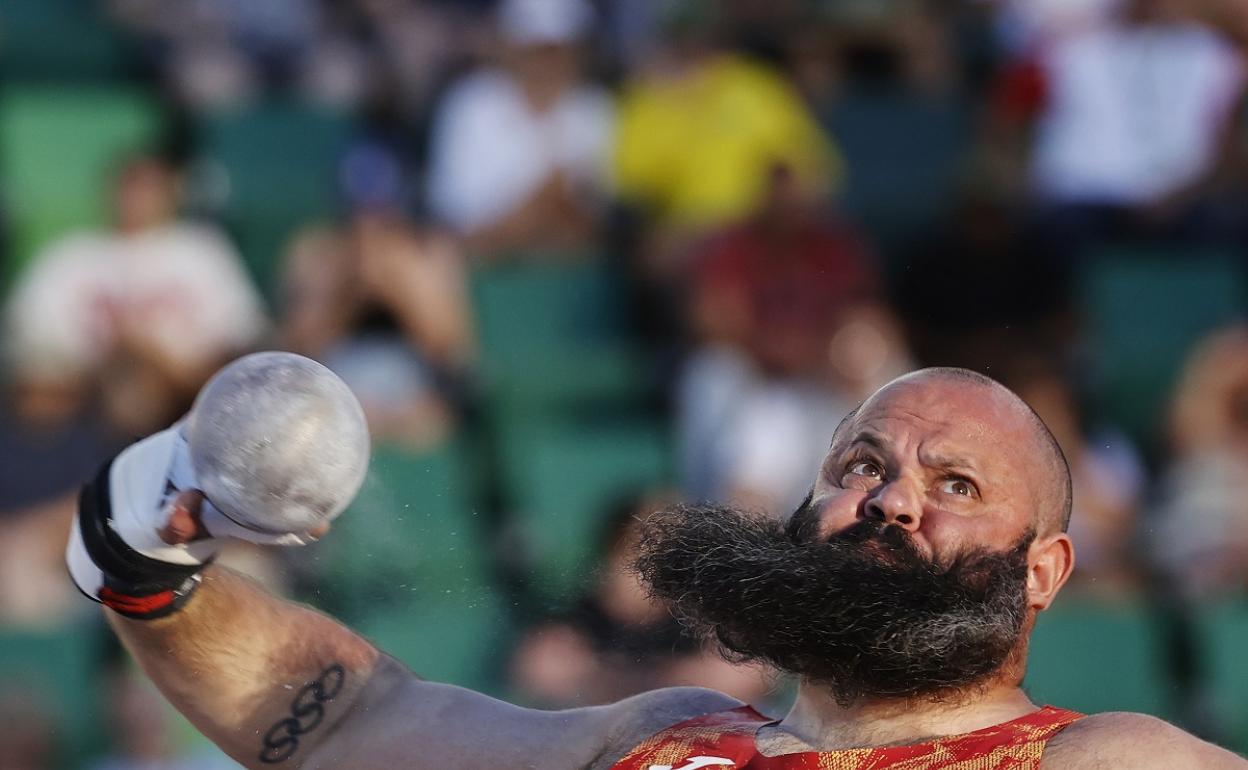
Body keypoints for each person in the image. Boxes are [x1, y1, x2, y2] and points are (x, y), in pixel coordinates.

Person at [66, 367, 1247, 768]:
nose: (889, 496)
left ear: (1044, 572)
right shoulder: (666, 734)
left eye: (956, 486)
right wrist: (138, 549)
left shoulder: (1097, 758)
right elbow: (342, 724)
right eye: (862, 461)